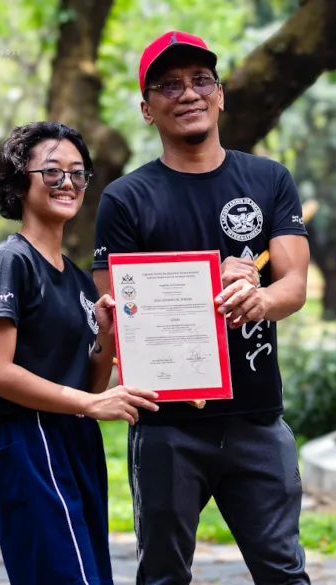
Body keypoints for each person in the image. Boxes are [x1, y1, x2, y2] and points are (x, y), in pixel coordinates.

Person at [91, 31, 311, 585]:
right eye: (168, 85)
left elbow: (295, 285)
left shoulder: (268, 179)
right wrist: (213, 282)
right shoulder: (125, 198)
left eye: (200, 80)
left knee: (284, 573)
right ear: (146, 109)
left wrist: (257, 296)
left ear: (220, 95)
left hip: (257, 419)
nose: (187, 93)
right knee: (163, 575)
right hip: (166, 426)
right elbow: (120, 309)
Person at [0, 121, 159, 585]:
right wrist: (91, 405)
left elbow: (90, 384)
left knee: (90, 574)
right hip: (30, 441)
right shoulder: (10, 262)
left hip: (76, 443)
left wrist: (107, 337)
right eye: (52, 172)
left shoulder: (77, 280)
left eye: (79, 173)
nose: (69, 184)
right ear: (19, 181)